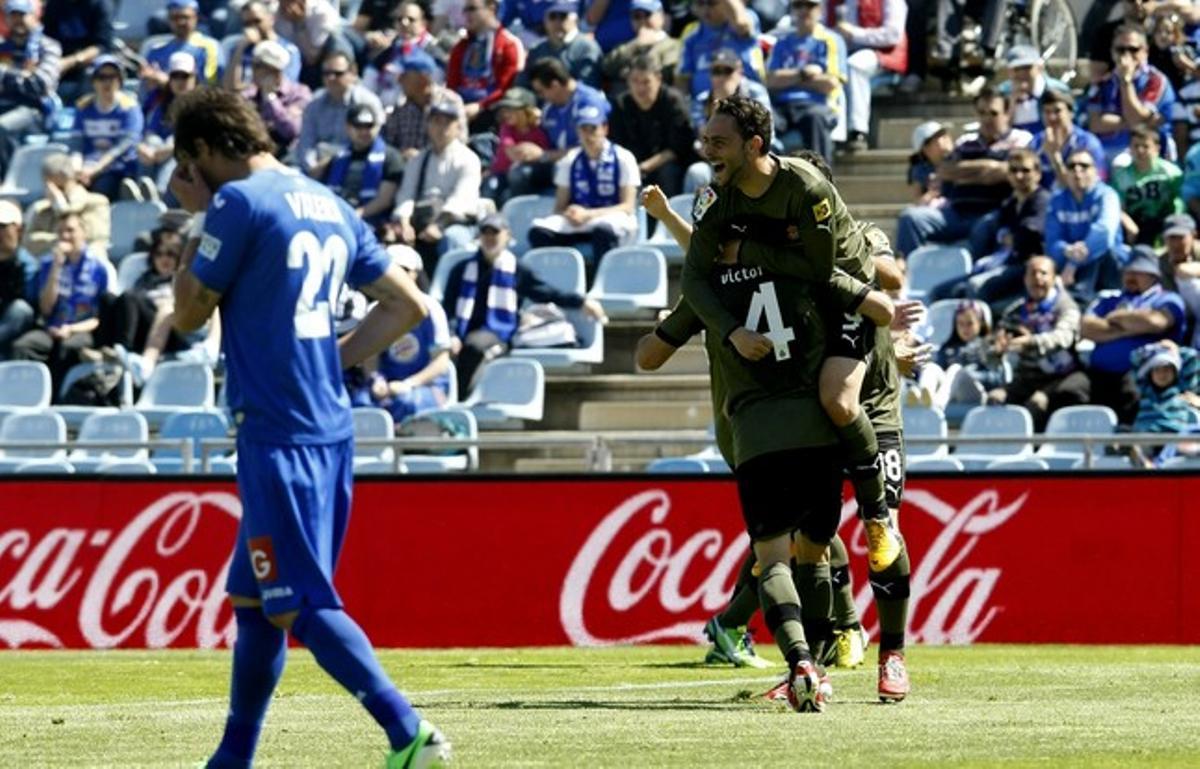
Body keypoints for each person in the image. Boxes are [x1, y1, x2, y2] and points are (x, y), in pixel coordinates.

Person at [165, 86, 450, 769]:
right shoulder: (329, 202)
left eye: (184, 161)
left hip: (277, 432)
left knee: (299, 601)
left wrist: (191, 224)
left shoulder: (235, 203)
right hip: (327, 425)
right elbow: (408, 305)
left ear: (203, 150)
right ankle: (233, 756)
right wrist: (332, 359)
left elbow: (187, 314)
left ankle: (408, 731)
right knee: (256, 601)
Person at [677, 96, 878, 713]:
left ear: (755, 145)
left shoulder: (806, 185)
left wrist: (750, 253)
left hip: (842, 309)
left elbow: (822, 270)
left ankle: (879, 509)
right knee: (811, 548)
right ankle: (815, 660)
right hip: (778, 401)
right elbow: (693, 278)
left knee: (781, 552)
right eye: (706, 139)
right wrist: (733, 331)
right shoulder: (717, 200)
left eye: (718, 142)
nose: (706, 151)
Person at [441, 212, 605, 388]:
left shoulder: (517, 270)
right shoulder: (461, 270)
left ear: (507, 236)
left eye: (495, 232)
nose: (490, 238)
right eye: (485, 233)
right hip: (463, 335)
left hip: (500, 336)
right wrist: (451, 334)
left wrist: (581, 302)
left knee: (476, 355)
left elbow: (546, 292)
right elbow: (448, 308)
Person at [896, 88, 1033, 259]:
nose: (987, 119)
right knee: (910, 218)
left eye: (993, 113)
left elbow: (1007, 171)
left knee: (982, 231)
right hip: (954, 212)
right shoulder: (966, 141)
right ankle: (908, 274)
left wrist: (965, 171)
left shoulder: (1021, 139)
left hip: (993, 213)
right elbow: (945, 170)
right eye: (982, 113)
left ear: (1006, 113)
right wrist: (989, 167)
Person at [527, 104, 641, 271]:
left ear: (605, 128)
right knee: (540, 232)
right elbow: (559, 207)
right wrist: (570, 212)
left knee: (604, 231)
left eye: (593, 129)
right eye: (583, 129)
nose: (588, 135)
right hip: (579, 220)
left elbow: (628, 206)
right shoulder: (570, 160)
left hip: (612, 218)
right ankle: (557, 283)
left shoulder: (623, 157)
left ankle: (602, 283)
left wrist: (590, 214)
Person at [1081, 247, 1187, 426]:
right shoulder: (1110, 299)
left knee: (1131, 392)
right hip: (1098, 373)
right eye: (1128, 271)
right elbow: (1086, 328)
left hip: (1141, 375)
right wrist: (1132, 326)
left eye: (1138, 272)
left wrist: (1115, 318)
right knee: (1069, 390)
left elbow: (1155, 322)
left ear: (1153, 276)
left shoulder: (1169, 298)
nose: (1130, 276)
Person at [11, 213, 111, 389]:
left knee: (68, 347)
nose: (65, 236)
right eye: (61, 231)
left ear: (83, 232)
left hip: (81, 329)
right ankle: (24, 395)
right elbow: (46, 308)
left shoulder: (99, 269)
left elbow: (99, 318)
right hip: (51, 326)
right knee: (23, 346)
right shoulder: (48, 264)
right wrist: (56, 268)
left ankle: (57, 402)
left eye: (70, 230)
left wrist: (71, 329)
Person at [988, 256, 1086, 431]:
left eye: (1043, 273)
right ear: (1025, 279)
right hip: (1027, 377)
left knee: (1037, 403)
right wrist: (996, 350)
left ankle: (1033, 452)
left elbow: (1063, 338)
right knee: (995, 398)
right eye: (1033, 274)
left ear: (1054, 277)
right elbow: (992, 353)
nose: (1038, 278)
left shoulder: (1066, 306)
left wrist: (1031, 342)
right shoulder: (1016, 311)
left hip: (1062, 376)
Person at [391, 98, 482, 272]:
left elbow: (462, 200)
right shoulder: (418, 159)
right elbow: (406, 195)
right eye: (437, 122)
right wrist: (404, 223)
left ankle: (449, 294)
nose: (442, 128)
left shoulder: (468, 159)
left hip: (454, 222)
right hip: (420, 219)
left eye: (448, 122)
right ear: (428, 125)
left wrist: (438, 225)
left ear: (457, 126)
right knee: (392, 238)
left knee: (453, 238)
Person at [369, 244, 453, 420]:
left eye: (404, 270)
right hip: (388, 387)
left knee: (406, 403)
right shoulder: (373, 311)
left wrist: (409, 384)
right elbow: (370, 357)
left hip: (428, 387)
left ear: (415, 274)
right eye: (393, 270)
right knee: (361, 404)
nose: (398, 276)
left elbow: (441, 360)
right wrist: (376, 379)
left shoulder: (432, 309)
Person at [514, 56, 610, 196]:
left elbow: (592, 147)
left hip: (589, 165)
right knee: (518, 173)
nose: (540, 97)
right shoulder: (549, 108)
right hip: (555, 161)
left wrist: (544, 155)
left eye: (541, 91)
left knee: (561, 170)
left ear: (555, 85)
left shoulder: (588, 102)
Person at [764, 0, 846, 162]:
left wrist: (788, 78)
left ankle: (822, 182)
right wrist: (804, 74)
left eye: (810, 5)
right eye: (798, 5)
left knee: (816, 119)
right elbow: (770, 81)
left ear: (820, 9)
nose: (803, 10)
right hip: (781, 107)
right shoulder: (782, 42)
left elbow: (830, 84)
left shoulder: (831, 40)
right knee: (759, 123)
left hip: (816, 105)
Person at [1045, 148, 1126, 303]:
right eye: (1072, 166)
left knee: (1103, 251)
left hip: (1108, 264)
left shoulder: (1107, 195)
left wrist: (1073, 263)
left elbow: (1104, 234)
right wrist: (1067, 250)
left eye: (1084, 166)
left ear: (1095, 170)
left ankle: (1080, 300)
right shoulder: (1056, 200)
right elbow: (1052, 241)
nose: (1077, 170)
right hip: (1072, 268)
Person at [608, 53, 695, 197]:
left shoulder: (673, 102)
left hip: (666, 164)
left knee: (668, 172)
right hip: (632, 164)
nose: (640, 88)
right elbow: (617, 145)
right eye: (635, 81)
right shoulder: (621, 104)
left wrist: (643, 167)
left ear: (658, 79)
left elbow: (677, 148)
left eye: (646, 82)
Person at [1087, 25, 1176, 165]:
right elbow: (1095, 123)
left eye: (1133, 49)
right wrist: (1136, 122)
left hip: (1147, 153)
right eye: (1120, 50)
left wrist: (1125, 81)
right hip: (1105, 151)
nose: (1126, 55)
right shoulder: (1101, 83)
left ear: (1145, 51)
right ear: (1112, 52)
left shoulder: (1156, 80)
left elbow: (1134, 117)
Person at [832, 0, 907, 152]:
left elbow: (892, 34)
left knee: (855, 65)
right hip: (849, 54)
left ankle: (858, 132)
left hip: (886, 55)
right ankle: (836, 135)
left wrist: (854, 34)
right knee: (836, 69)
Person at [295, 51, 384, 178]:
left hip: (354, 167)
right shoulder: (314, 105)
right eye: (326, 74)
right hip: (317, 168)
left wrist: (333, 162)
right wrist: (312, 167)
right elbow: (306, 143)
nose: (331, 78)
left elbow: (372, 142)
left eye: (337, 74)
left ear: (352, 74)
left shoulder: (368, 102)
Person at [0, 0, 61, 177]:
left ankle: (6, 181)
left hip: (33, 110)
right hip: (4, 105)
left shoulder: (47, 47)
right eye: (13, 15)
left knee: (2, 127)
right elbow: (27, 82)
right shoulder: (2, 47)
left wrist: (4, 76)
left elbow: (40, 85)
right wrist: (21, 77)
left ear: (33, 16)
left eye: (22, 14)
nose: (18, 20)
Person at [74, 55, 144, 201]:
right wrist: (78, 170)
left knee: (101, 189)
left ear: (120, 80)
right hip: (87, 167)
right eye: (101, 77)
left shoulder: (129, 108)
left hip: (117, 168)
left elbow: (120, 148)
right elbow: (76, 145)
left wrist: (94, 170)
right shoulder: (83, 108)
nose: (107, 82)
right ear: (93, 81)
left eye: (112, 77)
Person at [324, 104, 405, 231]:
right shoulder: (337, 158)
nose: (364, 131)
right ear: (348, 127)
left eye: (369, 126)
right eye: (358, 126)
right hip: (335, 218)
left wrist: (354, 215)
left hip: (371, 223)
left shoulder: (391, 156)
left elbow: (385, 200)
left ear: (377, 127)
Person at [445, 0, 524, 129]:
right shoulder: (460, 47)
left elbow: (507, 88)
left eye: (472, 9)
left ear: (491, 8)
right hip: (460, 110)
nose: (466, 15)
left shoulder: (509, 45)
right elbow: (451, 85)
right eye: (465, 10)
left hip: (492, 113)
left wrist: (481, 106)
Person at [381, 51, 468, 159]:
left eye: (404, 76)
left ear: (423, 79)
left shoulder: (450, 101)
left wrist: (422, 159)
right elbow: (387, 145)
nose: (399, 81)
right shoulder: (401, 108)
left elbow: (460, 143)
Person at [24, 152, 111, 257]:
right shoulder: (41, 209)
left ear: (72, 179)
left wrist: (61, 207)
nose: (55, 192)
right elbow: (28, 241)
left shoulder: (96, 203)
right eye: (51, 187)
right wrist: (60, 241)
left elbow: (91, 239)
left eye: (60, 187)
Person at [362, 2, 447, 108]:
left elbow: (435, 88)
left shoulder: (433, 53)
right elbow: (368, 82)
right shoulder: (390, 50)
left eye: (411, 19)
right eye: (399, 19)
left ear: (423, 23)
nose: (404, 23)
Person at [1112, 126, 1183, 246]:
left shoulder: (1171, 173)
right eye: (1136, 146)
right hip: (1134, 222)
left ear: (1157, 149)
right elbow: (1115, 206)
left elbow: (1180, 201)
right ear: (1130, 148)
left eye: (1145, 146)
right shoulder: (1121, 176)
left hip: (1164, 219)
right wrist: (1128, 224)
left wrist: (1173, 222)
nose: (1140, 150)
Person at [675, 0, 762, 99]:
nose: (706, 9)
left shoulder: (746, 18)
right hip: (704, 103)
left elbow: (741, 23)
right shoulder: (692, 36)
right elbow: (682, 78)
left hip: (746, 98)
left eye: (712, 3)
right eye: (700, 3)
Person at [242, 40, 313, 159]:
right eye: (253, 64)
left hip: (288, 158)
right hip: (254, 156)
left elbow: (291, 130)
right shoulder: (248, 96)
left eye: (259, 66)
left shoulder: (300, 94)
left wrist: (270, 98)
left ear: (276, 71)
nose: (253, 70)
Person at [484, 86, 549, 203]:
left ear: (527, 110)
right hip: (500, 173)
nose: (506, 114)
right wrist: (527, 151)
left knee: (507, 196)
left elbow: (541, 156)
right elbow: (512, 153)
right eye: (505, 109)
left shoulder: (539, 131)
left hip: (522, 178)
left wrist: (532, 153)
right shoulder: (506, 128)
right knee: (490, 188)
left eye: (512, 109)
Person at [1030, 89, 1106, 189]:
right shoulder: (1036, 143)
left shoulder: (1087, 143)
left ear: (1071, 113)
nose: (1052, 117)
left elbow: (1093, 186)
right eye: (1047, 112)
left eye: (1057, 111)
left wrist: (1054, 157)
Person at [139, 52, 198, 181]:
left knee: (175, 155)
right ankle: (142, 189)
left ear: (194, 77)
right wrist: (145, 149)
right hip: (159, 152)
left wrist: (170, 149)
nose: (180, 81)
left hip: (185, 155)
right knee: (151, 142)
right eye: (175, 76)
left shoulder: (201, 104)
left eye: (185, 76)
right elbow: (151, 131)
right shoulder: (162, 100)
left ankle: (159, 194)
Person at [41, 0, 113, 104]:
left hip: (87, 70)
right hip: (57, 68)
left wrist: (71, 61)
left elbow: (101, 46)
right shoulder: (54, 4)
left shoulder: (99, 4)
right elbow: (46, 39)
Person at [222, 0, 303, 92]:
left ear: (271, 19)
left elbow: (284, 87)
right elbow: (228, 87)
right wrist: (241, 48)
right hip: (242, 102)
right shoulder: (235, 46)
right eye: (247, 24)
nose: (253, 27)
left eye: (257, 21)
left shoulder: (289, 50)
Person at [275, 0, 357, 90]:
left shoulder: (321, 12)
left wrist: (299, 23)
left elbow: (312, 56)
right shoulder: (278, 15)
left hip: (323, 56)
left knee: (338, 39)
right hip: (299, 61)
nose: (285, 4)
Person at [601, 0, 681, 89]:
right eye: (637, 16)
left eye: (647, 15)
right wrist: (635, 45)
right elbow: (606, 68)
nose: (642, 21)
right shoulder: (627, 45)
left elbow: (668, 74)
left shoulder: (673, 45)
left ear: (661, 16)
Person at [141, 0, 221, 89]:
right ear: (168, 19)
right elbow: (147, 89)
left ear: (196, 18)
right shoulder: (156, 50)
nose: (181, 22)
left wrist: (167, 83)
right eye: (175, 18)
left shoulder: (210, 47)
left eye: (185, 17)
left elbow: (210, 86)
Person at [520, 2, 602, 89]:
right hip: (540, 100)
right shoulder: (537, 50)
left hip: (575, 100)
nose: (557, 22)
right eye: (553, 16)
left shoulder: (587, 48)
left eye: (563, 16)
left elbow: (588, 87)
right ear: (545, 21)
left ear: (576, 20)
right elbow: (524, 84)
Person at [997, 44, 1072, 136]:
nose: (1022, 73)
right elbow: (998, 131)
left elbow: (1070, 124)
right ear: (1009, 71)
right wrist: (1012, 103)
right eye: (1016, 69)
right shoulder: (1002, 92)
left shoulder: (1057, 89)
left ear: (1039, 68)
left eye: (1027, 68)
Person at [0, 200, 36, 359]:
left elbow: (28, 304)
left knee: (20, 309)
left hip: (16, 324)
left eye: (2, 227)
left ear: (19, 230)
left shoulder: (28, 265)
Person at [1159, 213, 1200, 347]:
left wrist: (1193, 269)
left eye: (1181, 237)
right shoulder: (1160, 262)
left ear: (1193, 235)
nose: (1176, 243)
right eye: (1171, 238)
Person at [907, 120, 952, 204]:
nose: (946, 137)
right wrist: (932, 193)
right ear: (925, 148)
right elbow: (917, 202)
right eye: (939, 136)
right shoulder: (920, 169)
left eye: (945, 133)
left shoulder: (959, 158)